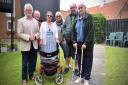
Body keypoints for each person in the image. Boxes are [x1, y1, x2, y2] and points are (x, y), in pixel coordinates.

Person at [72, 3, 94, 85]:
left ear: (85, 8)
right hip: (78, 43)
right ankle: (80, 76)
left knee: (87, 61)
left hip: (87, 44)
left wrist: (86, 43)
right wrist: (74, 42)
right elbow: (73, 32)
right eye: (79, 8)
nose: (80, 9)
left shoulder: (89, 17)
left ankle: (87, 79)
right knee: (80, 61)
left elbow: (91, 31)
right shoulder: (76, 19)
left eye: (82, 8)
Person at [17, 3, 40, 84]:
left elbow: (38, 32)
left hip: (34, 45)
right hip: (25, 45)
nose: (28, 11)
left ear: (32, 11)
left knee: (33, 62)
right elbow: (19, 33)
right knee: (24, 64)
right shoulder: (20, 21)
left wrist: (36, 36)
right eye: (27, 10)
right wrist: (28, 37)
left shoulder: (36, 21)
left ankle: (31, 75)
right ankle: (24, 78)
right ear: (24, 11)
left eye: (30, 10)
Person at [39, 11, 59, 76]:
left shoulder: (54, 24)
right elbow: (41, 32)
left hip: (52, 43)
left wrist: (56, 38)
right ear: (46, 16)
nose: (49, 17)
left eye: (50, 16)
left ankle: (52, 68)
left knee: (52, 56)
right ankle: (44, 69)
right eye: (48, 15)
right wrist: (41, 39)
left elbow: (56, 33)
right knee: (45, 56)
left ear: (52, 17)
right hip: (45, 43)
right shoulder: (43, 24)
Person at [63, 3, 78, 74]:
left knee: (76, 55)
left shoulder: (79, 16)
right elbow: (63, 27)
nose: (72, 9)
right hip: (68, 39)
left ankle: (76, 68)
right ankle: (67, 66)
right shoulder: (67, 17)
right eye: (71, 8)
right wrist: (64, 34)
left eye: (73, 8)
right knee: (67, 54)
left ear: (76, 7)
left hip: (76, 40)